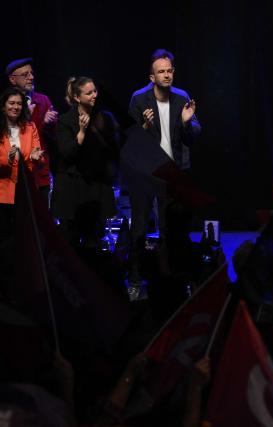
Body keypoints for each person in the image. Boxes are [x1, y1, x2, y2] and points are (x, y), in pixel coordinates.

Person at [128, 48, 201, 286]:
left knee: (172, 230)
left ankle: (172, 279)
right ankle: (136, 280)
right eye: (162, 72)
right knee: (140, 229)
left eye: (170, 71)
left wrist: (186, 123)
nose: (167, 75)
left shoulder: (181, 97)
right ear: (152, 77)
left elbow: (194, 135)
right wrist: (145, 127)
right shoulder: (139, 99)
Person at [52, 77, 119, 249]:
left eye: (95, 91)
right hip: (74, 187)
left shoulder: (105, 118)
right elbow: (67, 154)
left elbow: (114, 149)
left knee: (95, 238)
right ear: (77, 97)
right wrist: (81, 133)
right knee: (71, 238)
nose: (94, 95)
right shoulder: (65, 120)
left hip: (96, 186)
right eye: (89, 93)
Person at [0, 87, 44, 295]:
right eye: (12, 103)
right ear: (3, 106)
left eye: (19, 103)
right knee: (5, 240)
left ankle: (24, 285)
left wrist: (35, 157)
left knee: (25, 240)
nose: (16, 107)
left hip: (25, 191)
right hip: (2, 192)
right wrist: (8, 161)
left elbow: (36, 152)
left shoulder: (30, 127)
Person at [5, 58, 57, 206]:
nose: (31, 77)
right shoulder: (5, 104)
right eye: (25, 75)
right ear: (12, 79)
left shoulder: (43, 100)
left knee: (42, 214)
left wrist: (48, 124)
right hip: (14, 171)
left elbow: (53, 138)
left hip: (40, 170)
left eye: (32, 73)